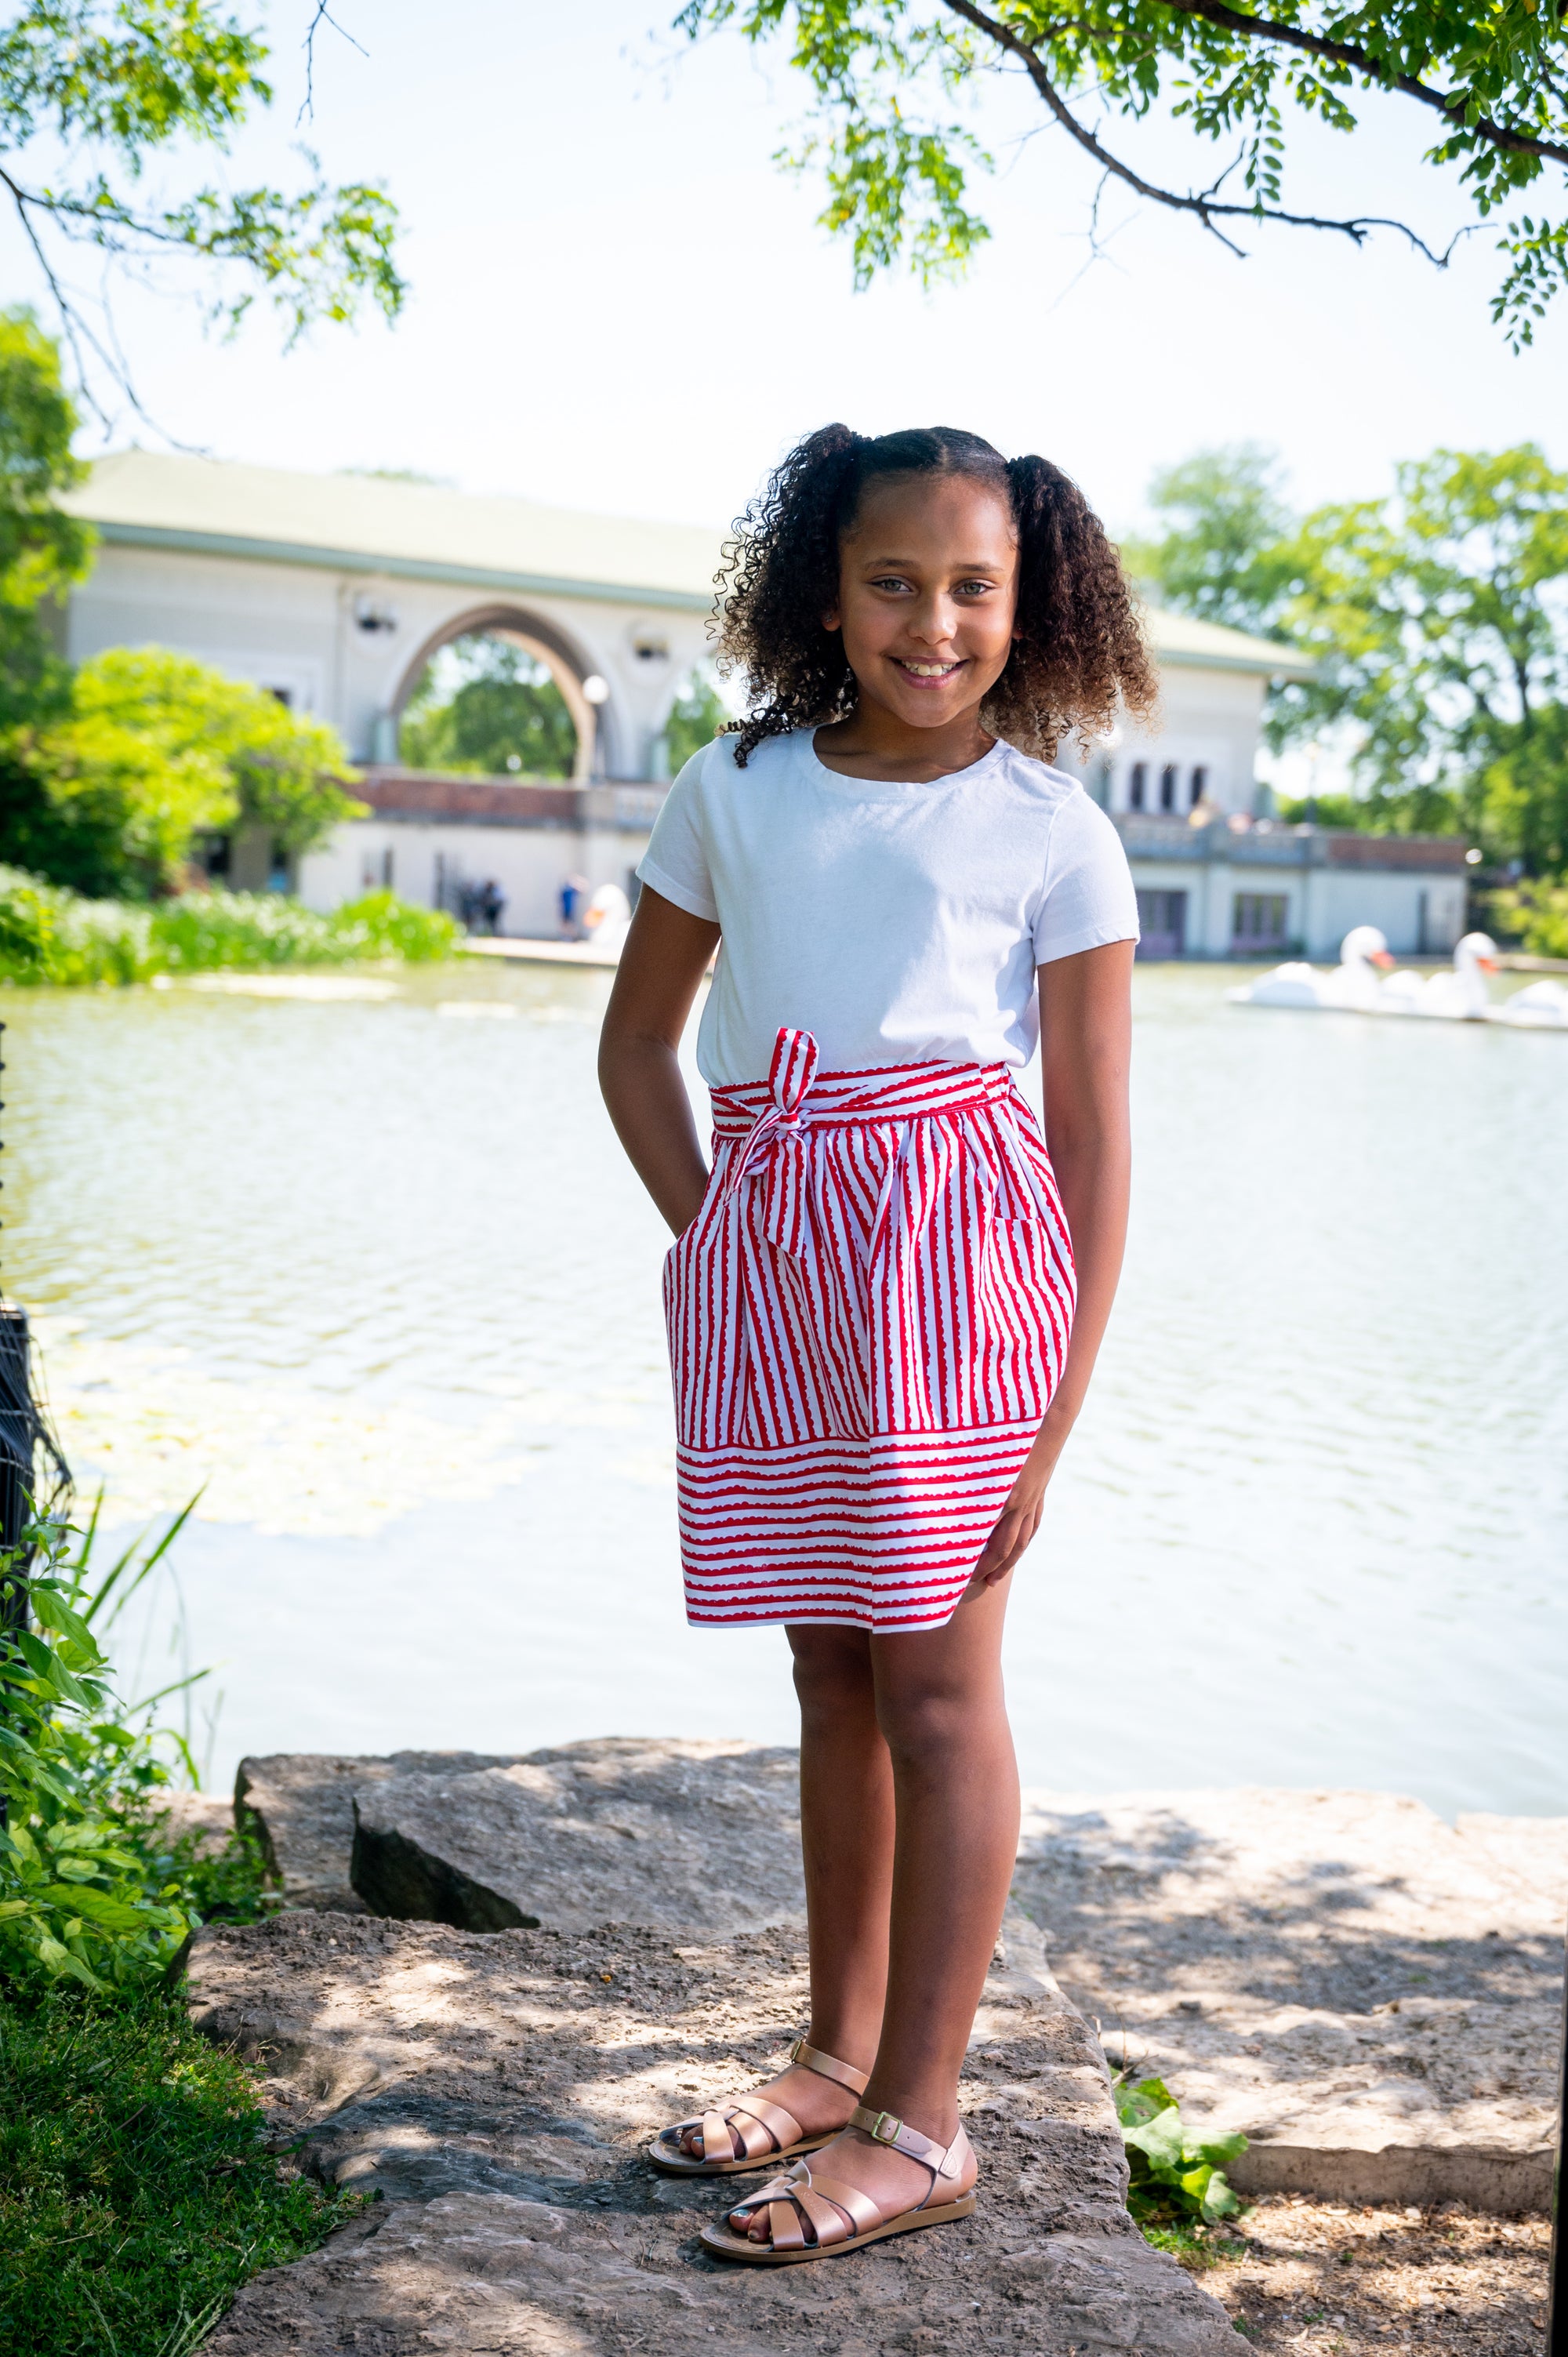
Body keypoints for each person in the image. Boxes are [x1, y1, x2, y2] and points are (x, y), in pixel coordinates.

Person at [598, 424, 1152, 2268]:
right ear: (823, 595)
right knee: (829, 1673)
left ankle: (923, 2122)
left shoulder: (1052, 829)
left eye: (972, 587)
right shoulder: (736, 788)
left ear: (1028, 601)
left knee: (936, 1691)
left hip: (962, 1294)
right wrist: (724, 1239)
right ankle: (835, 2054)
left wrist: (1053, 1419)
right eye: (893, 583)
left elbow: (1092, 1143)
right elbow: (635, 1048)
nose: (934, 623)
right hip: (780, 1281)